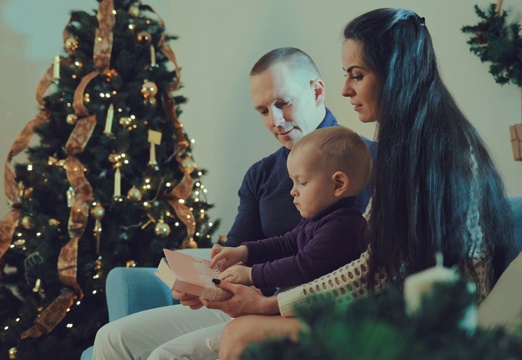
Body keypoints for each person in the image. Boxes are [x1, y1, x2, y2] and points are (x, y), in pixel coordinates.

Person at [213, 8, 515, 360]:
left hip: (432, 324)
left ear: (394, 73)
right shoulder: (417, 141)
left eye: (357, 75)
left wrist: (271, 304)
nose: (345, 89)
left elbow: (373, 273)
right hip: (407, 307)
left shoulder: (428, 152)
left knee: (241, 334)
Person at [92, 47, 375, 360]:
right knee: (112, 338)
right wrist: (205, 284)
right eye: (263, 111)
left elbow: (355, 269)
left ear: (317, 91)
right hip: (248, 297)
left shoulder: (367, 164)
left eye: (283, 103)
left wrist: (258, 292)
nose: (275, 121)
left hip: (295, 308)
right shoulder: (261, 174)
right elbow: (243, 247)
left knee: (167, 355)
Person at [211, 127, 371, 289]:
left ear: (338, 184)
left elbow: (303, 266)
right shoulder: (318, 219)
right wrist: (244, 251)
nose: (293, 191)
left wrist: (252, 274)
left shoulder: (344, 226)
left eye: (301, 182)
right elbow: (285, 244)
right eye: (292, 182)